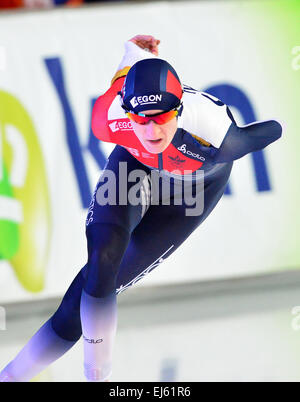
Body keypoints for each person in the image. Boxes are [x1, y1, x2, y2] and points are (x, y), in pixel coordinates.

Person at [0, 35, 282, 382]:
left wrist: (278, 126)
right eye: (141, 118)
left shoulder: (215, 135)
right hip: (135, 167)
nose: (151, 129)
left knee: (101, 286)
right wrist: (135, 50)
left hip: (193, 192)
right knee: (98, 266)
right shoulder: (108, 119)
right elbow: (125, 72)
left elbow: (266, 132)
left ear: (178, 110)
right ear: (126, 110)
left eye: (161, 118)